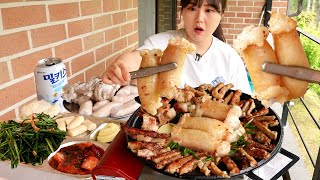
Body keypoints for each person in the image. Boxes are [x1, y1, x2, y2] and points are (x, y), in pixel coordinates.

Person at [102, 0, 252, 95]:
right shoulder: (164, 43)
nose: (199, 18)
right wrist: (122, 66)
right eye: (192, 8)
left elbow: (243, 99)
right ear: (182, 11)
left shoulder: (230, 57)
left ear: (221, 15)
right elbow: (138, 57)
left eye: (209, 10)